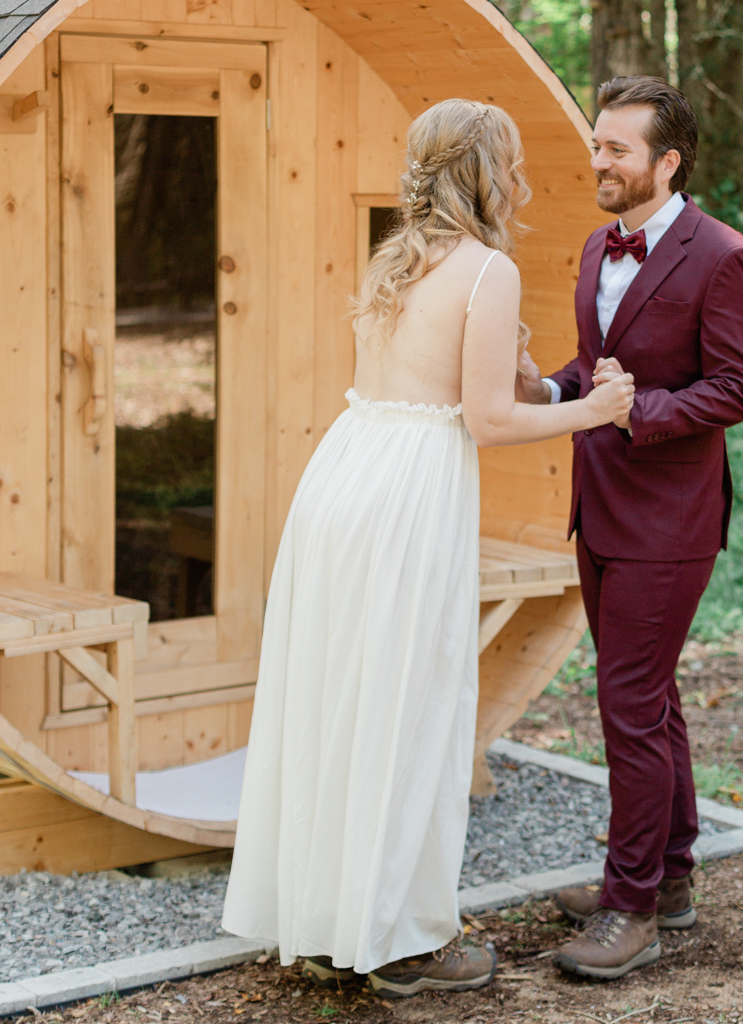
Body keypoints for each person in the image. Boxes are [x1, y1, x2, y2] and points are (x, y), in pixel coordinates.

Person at [221, 99, 635, 999]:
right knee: (411, 707)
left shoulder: (396, 257)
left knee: (342, 700)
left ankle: (332, 921)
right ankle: (403, 943)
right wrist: (590, 411)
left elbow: (439, 377)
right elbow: (486, 421)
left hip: (344, 476)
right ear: (491, 171)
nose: (522, 175)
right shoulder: (488, 270)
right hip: (409, 490)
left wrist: (523, 375)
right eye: (514, 160)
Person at [515, 75, 743, 980]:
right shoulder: (595, 245)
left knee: (627, 705)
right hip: (600, 508)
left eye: (616, 149)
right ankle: (669, 879)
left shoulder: (723, 255)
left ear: (668, 161)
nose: (598, 162)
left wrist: (636, 412)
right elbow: (594, 365)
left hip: (669, 520)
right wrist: (544, 390)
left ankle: (630, 910)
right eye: (596, 144)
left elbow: (739, 388)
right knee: (648, 699)